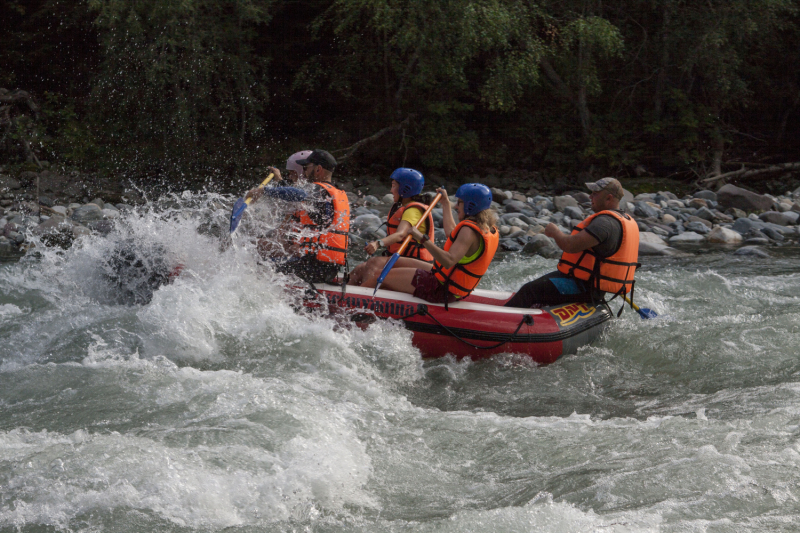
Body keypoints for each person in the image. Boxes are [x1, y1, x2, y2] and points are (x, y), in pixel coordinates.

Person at [504, 177, 640, 309]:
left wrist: (555, 232)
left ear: (609, 198)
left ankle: (503, 323)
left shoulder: (605, 223)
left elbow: (570, 246)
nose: (590, 197)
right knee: (540, 287)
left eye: (595, 194)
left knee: (530, 290)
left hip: (583, 287)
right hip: (593, 287)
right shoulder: (622, 220)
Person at [359, 183, 499, 304]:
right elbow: (451, 233)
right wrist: (445, 203)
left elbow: (448, 261)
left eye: (460, 202)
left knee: (379, 276)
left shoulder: (469, 231)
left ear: (471, 205)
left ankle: (354, 302)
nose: (456, 206)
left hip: (441, 288)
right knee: (389, 263)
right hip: (446, 280)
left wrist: (422, 238)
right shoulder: (485, 227)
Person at [244, 149, 350, 284]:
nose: (304, 172)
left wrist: (263, 190)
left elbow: (297, 193)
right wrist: (279, 180)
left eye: (306, 167)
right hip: (326, 267)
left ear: (318, 169)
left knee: (260, 265)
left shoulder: (318, 190)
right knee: (259, 246)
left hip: (313, 269)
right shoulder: (333, 193)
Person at [348, 168, 434, 285]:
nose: (391, 190)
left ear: (405, 189)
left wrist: (378, 243)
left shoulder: (413, 210)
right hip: (402, 259)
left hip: (418, 263)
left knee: (374, 263)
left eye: (393, 186)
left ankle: (366, 297)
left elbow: (400, 234)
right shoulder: (402, 207)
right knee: (359, 270)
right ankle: (341, 294)